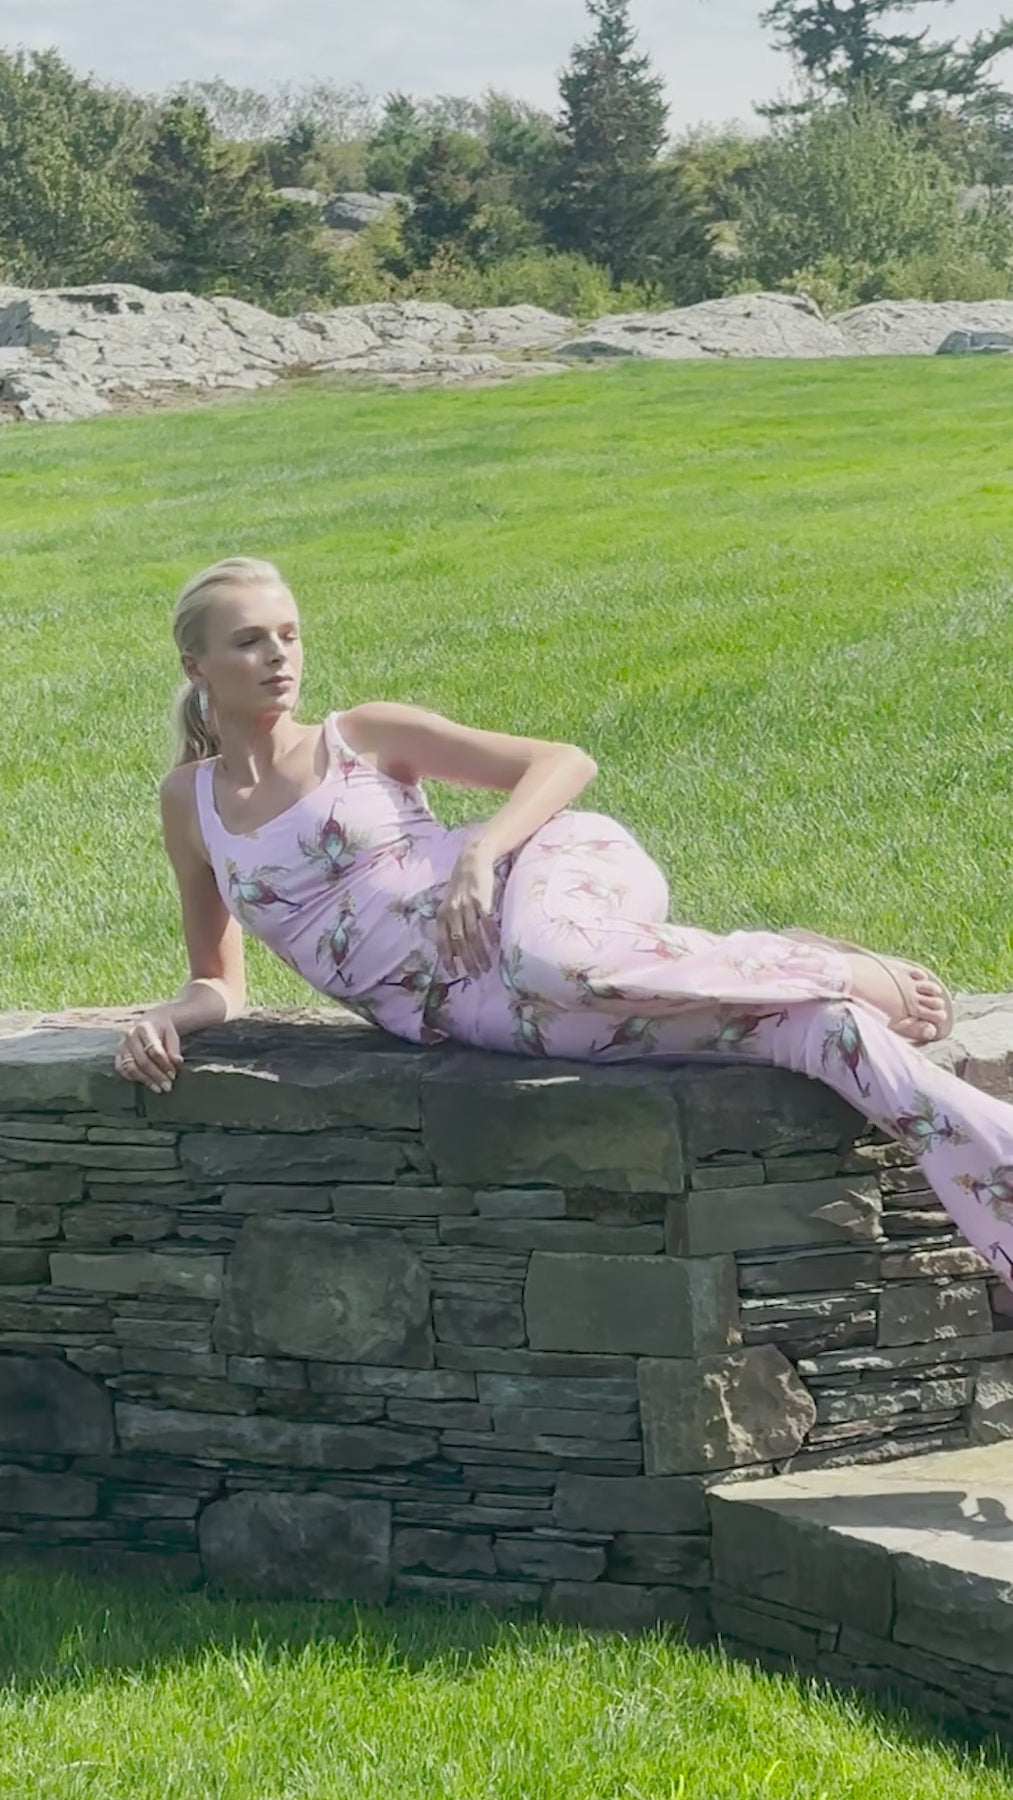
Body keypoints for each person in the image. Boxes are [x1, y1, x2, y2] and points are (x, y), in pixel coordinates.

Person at [115, 556, 1013, 1290]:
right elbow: (218, 980)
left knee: (553, 960)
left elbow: (561, 762)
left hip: (544, 882)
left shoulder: (359, 735)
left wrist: (480, 850)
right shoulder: (188, 802)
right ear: (197, 667)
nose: (279, 656)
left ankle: (840, 970)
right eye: (249, 641)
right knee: (810, 1034)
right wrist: (168, 1017)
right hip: (478, 1009)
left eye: (289, 634)